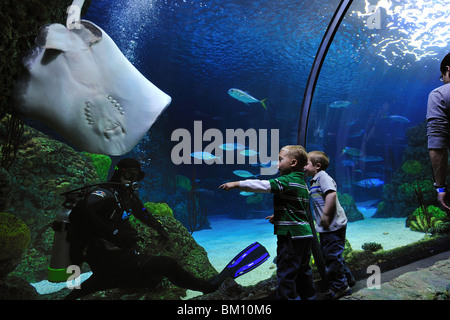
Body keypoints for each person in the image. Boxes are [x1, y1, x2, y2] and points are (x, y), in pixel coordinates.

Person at [65, 158, 267, 300]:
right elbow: (80, 213)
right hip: (109, 260)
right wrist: (115, 236)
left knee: (151, 279)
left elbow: (143, 213)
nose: (133, 180)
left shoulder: (126, 196)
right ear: (118, 173)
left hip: (118, 259)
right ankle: (207, 287)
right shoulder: (105, 194)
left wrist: (160, 229)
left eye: (137, 176)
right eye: (129, 175)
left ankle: (92, 286)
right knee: (167, 265)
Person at [219, 145, 316, 300]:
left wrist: (237, 184)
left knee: (286, 272)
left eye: (280, 159)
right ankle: (310, 298)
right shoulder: (303, 184)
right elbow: (298, 210)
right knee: (304, 271)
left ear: (293, 163)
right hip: (305, 236)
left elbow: (263, 185)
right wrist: (279, 216)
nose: (277, 164)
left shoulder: (286, 181)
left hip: (290, 237)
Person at [303, 150, 354, 299]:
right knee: (332, 256)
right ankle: (348, 280)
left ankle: (341, 287)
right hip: (327, 227)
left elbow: (331, 194)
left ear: (317, 166)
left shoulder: (323, 177)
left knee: (332, 257)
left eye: (306, 163)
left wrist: (325, 215)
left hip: (333, 225)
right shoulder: (314, 180)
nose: (303, 167)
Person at [426, 52, 450, 213]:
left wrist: (440, 188)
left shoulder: (439, 94)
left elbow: (437, 148)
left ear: (448, 69)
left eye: (443, 77)